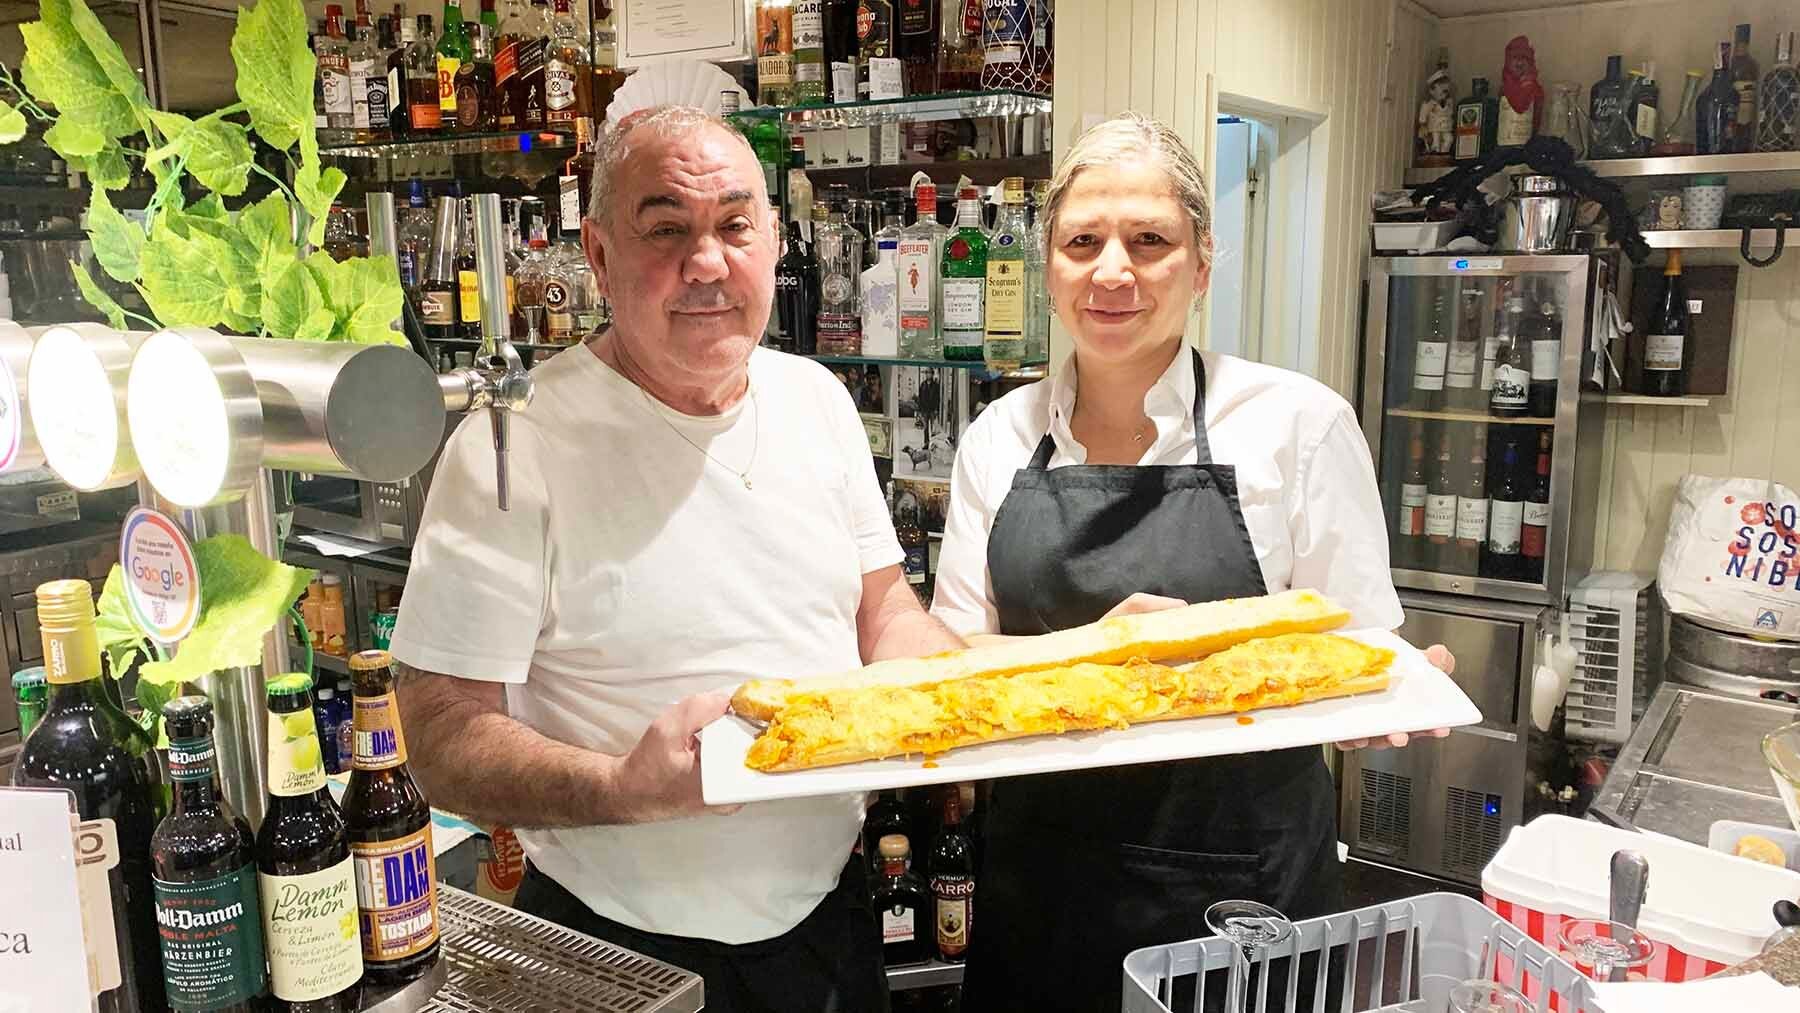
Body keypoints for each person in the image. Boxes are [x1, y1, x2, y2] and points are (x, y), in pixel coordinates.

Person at [388, 105, 965, 1013]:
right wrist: (623, 788)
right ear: (600, 253)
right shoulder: (514, 445)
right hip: (609, 951)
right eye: (667, 229)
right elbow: (442, 735)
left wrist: (1006, 687)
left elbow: (885, 613)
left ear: (773, 240)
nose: (708, 263)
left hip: (826, 930)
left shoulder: (816, 402)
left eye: (735, 225)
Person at [930, 112, 1452, 1012]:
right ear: (1050, 268)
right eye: (1083, 241)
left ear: (1202, 264)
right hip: (1040, 885)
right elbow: (946, 669)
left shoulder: (1298, 426)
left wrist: (1380, 694)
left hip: (1237, 902)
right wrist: (1101, 652)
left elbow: (1352, 659)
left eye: (1150, 240)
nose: (1113, 271)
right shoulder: (997, 439)